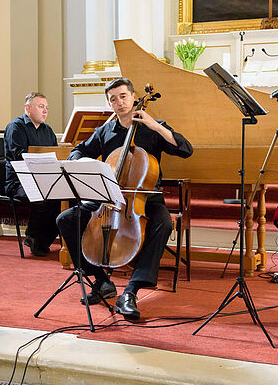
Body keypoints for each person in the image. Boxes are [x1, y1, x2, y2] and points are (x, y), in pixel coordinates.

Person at [56, 78, 193, 321]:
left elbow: (185, 149)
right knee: (66, 219)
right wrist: (83, 162)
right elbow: (79, 150)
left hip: (145, 197)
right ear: (109, 103)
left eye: (123, 96)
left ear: (132, 96)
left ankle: (131, 291)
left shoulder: (153, 126)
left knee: (164, 222)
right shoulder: (105, 131)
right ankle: (100, 279)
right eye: (113, 99)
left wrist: (157, 127)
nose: (119, 102)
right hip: (108, 196)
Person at [3, 92, 61, 257]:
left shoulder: (47, 130)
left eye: (46, 108)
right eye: (41, 107)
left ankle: (40, 240)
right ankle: (35, 237)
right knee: (43, 197)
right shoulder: (16, 127)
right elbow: (19, 156)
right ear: (28, 108)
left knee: (63, 198)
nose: (45, 111)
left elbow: (54, 155)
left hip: (42, 179)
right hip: (19, 182)